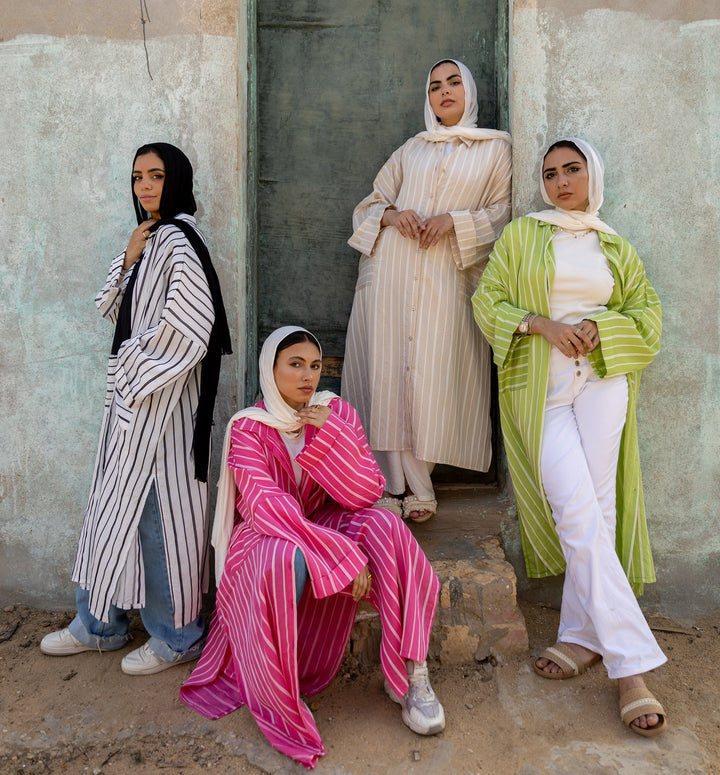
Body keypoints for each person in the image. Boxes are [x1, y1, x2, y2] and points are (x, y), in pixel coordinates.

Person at [180, 326, 444, 770]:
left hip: (322, 522)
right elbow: (265, 505)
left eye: (315, 366)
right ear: (271, 368)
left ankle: (411, 672)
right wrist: (336, 553)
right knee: (284, 558)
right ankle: (279, 687)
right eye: (295, 364)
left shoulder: (334, 412)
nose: (308, 376)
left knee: (387, 526)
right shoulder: (248, 427)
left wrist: (335, 437)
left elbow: (367, 492)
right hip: (265, 536)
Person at [472, 138, 667, 736]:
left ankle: (582, 637)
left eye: (572, 170)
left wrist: (596, 325)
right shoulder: (524, 235)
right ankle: (631, 668)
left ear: (591, 176)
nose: (561, 182)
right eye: (550, 173)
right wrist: (544, 325)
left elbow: (647, 318)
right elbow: (488, 301)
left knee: (598, 511)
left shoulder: (615, 245)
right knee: (575, 509)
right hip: (543, 390)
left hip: (604, 383)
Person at [41, 142, 232, 675]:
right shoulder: (150, 241)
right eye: (137, 177)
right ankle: (99, 625)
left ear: (177, 180)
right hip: (134, 408)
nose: (145, 186)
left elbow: (194, 329)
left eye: (156, 175)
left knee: (159, 518)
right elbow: (111, 307)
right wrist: (127, 258)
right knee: (111, 511)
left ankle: (177, 636)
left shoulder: (178, 240)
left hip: (164, 412)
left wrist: (128, 372)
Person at [342, 59, 512, 522]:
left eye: (453, 82)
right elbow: (371, 204)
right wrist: (397, 216)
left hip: (445, 273)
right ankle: (388, 485)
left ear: (469, 91)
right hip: (392, 273)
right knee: (389, 370)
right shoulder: (410, 150)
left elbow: (502, 212)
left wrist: (452, 221)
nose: (444, 92)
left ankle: (420, 481)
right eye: (435, 86)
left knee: (434, 375)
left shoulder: (497, 150)